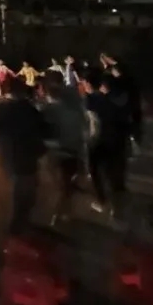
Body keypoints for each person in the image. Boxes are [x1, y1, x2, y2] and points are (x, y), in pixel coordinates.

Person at [0, 81, 49, 235]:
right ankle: (17, 226)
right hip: (27, 154)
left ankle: (19, 223)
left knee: (23, 186)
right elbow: (46, 131)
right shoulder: (31, 110)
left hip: (7, 153)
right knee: (26, 189)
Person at [41, 81, 90, 224]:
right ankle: (63, 211)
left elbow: (42, 129)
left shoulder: (50, 109)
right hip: (72, 152)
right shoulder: (80, 113)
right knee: (66, 184)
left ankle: (59, 213)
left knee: (60, 184)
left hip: (55, 152)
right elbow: (84, 135)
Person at [84, 72, 130, 217]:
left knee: (95, 172)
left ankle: (102, 201)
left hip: (98, 141)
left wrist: (89, 140)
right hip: (115, 141)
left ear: (88, 84)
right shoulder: (112, 100)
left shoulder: (90, 100)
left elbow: (92, 123)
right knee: (113, 174)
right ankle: (117, 209)